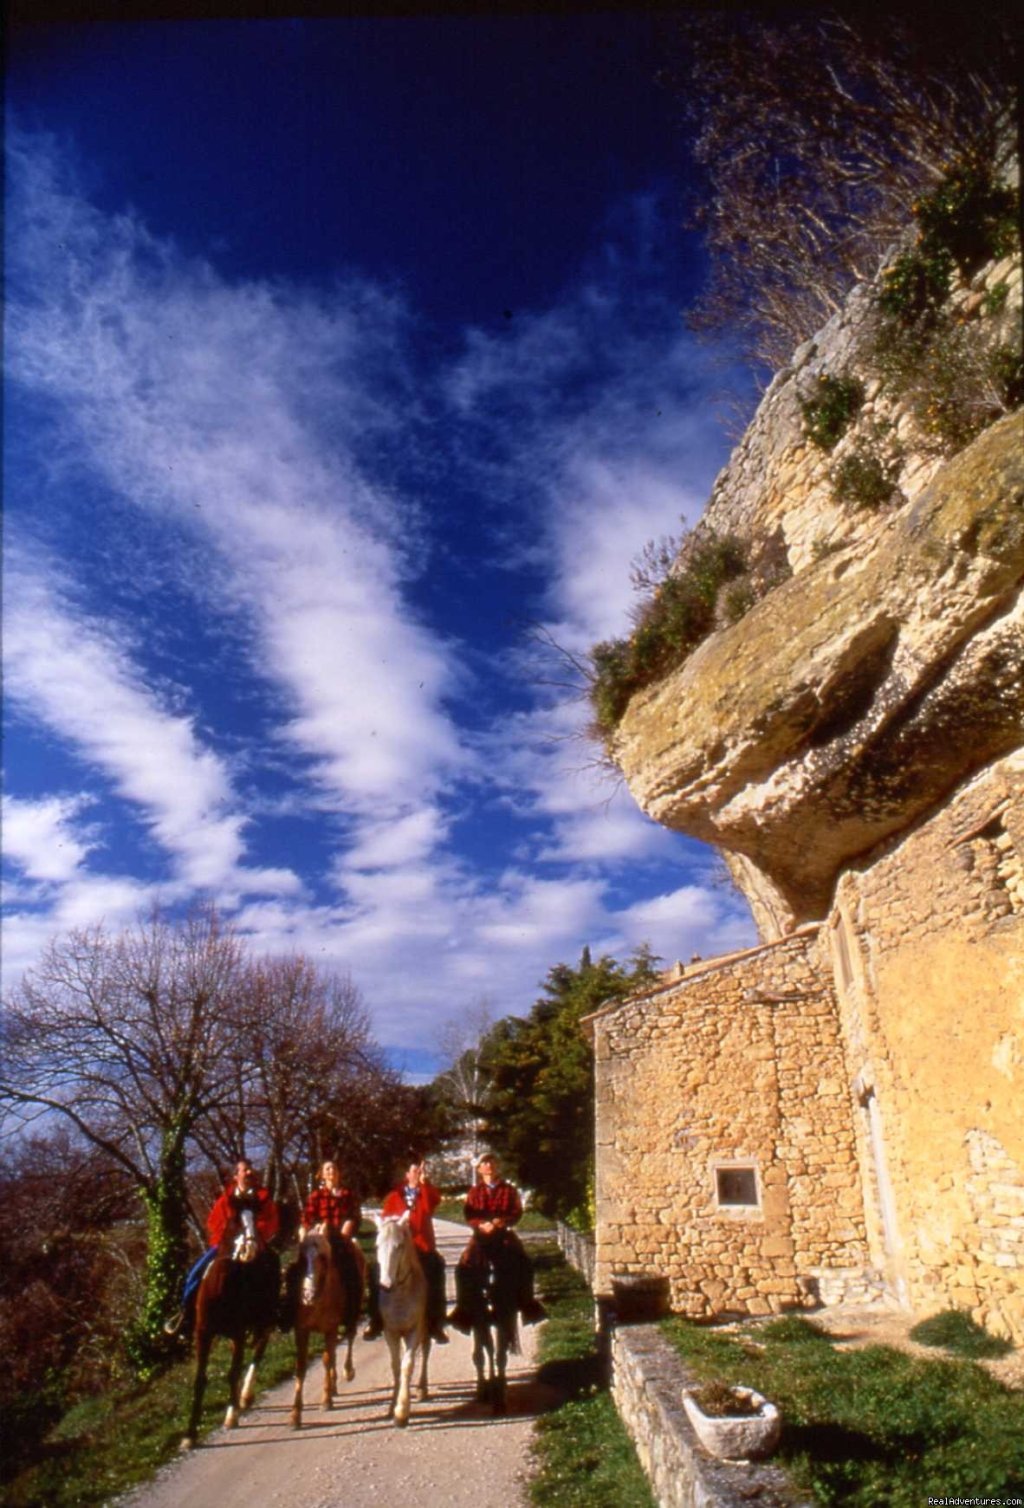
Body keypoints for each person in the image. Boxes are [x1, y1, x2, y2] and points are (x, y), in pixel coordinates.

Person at [164, 1158, 279, 1337]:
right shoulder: (226, 1199)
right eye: (244, 1170)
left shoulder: (263, 1198)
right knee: (196, 1271)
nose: (249, 1173)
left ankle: (270, 1315)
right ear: (236, 1176)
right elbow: (213, 1222)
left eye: (250, 1170)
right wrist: (229, 1236)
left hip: (254, 1244)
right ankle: (185, 1314)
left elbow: (271, 1221)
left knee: (273, 1265)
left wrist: (256, 1236)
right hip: (227, 1245)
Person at [448, 1152, 545, 1332]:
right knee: (464, 1265)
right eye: (484, 1164)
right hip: (481, 1235)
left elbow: (516, 1211)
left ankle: (528, 1305)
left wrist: (503, 1222)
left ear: (497, 1166)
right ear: (479, 1169)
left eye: (492, 1162)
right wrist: (480, 1224)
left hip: (503, 1235)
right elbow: (469, 1214)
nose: (489, 1167)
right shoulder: (474, 1192)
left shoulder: (509, 1190)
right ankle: (463, 1310)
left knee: (523, 1262)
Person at [364, 1153, 448, 1345]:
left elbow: (429, 1208)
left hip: (421, 1246)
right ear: (406, 1174)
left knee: (436, 1268)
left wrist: (424, 1185)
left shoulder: (427, 1191)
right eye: (414, 1171)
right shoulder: (395, 1196)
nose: (417, 1173)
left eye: (420, 1170)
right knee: (376, 1271)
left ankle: (435, 1323)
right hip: (399, 1247)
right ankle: (375, 1320)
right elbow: (386, 1222)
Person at [284, 1159, 364, 1328]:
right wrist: (309, 1230)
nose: (331, 1172)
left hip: (340, 1239)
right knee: (295, 1270)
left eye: (334, 1169)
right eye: (327, 1169)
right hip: (319, 1237)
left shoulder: (346, 1194)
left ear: (338, 1173)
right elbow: (307, 1217)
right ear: (322, 1174)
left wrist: (346, 1230)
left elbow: (353, 1216)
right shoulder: (316, 1196)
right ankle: (290, 1311)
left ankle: (351, 1313)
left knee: (352, 1271)